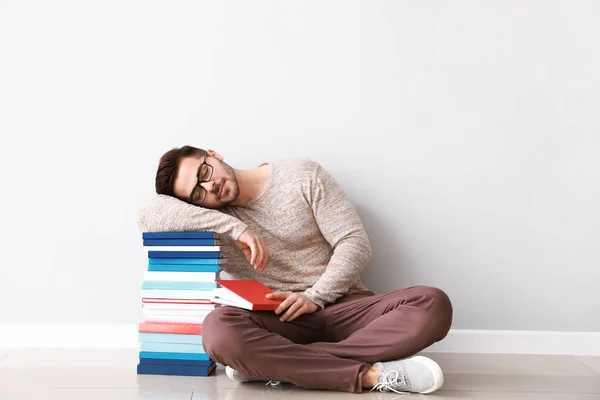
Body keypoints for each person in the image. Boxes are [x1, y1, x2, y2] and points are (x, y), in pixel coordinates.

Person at [137, 145, 453, 394]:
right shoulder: (210, 218)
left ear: (214, 155)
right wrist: (235, 228)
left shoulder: (301, 175)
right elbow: (148, 214)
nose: (209, 186)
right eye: (197, 193)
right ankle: (370, 375)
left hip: (344, 305)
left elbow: (354, 242)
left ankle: (277, 364)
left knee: (433, 304)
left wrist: (316, 296)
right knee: (218, 330)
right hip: (276, 318)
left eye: (204, 171)